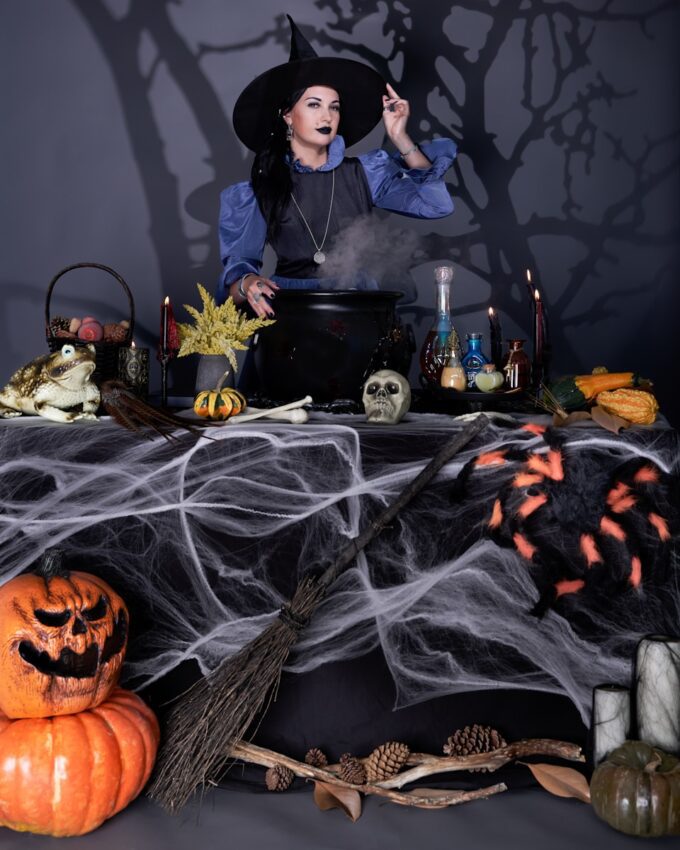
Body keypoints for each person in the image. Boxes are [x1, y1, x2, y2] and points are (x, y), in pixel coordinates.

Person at [218, 16, 458, 318]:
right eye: (314, 105)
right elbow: (238, 269)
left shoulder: (364, 173)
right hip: (290, 314)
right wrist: (247, 282)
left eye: (334, 107)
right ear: (288, 116)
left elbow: (436, 206)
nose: (327, 116)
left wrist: (399, 136)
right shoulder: (260, 188)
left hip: (357, 310)